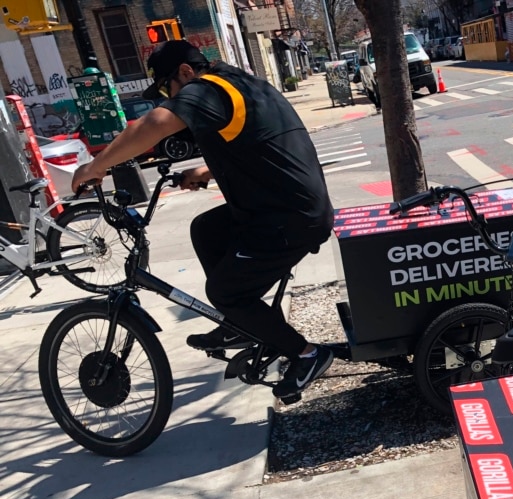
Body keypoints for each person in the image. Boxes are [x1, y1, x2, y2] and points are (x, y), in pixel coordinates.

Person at [71, 40, 336, 399]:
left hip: (288, 216)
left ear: (185, 71)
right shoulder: (241, 85)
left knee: (226, 292)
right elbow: (259, 146)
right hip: (278, 205)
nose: (168, 97)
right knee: (208, 229)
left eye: (167, 88)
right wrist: (206, 170)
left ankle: (307, 354)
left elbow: (154, 123)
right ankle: (239, 324)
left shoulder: (208, 88)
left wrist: (97, 165)